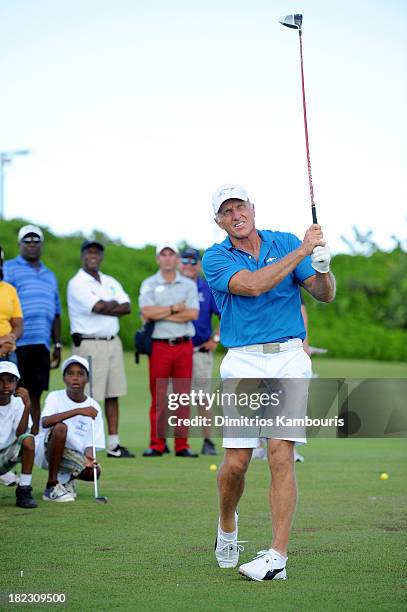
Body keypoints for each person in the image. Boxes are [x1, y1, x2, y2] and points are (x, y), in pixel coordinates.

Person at [202, 184, 335, 581]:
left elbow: (323, 295)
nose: (235, 214)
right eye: (226, 211)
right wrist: (301, 252)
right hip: (243, 359)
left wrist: (323, 266)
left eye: (239, 206)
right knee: (236, 463)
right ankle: (227, 524)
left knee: (281, 454)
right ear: (219, 221)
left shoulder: (286, 241)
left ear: (252, 208)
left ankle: (278, 555)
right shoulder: (216, 257)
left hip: (291, 358)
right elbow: (253, 285)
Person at [67, 240, 134, 458]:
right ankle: (85, 444)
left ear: (101, 256)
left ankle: (113, 444)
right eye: (88, 252)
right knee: (89, 395)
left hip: (112, 342)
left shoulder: (110, 281)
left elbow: (127, 307)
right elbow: (98, 307)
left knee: (113, 393)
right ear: (82, 255)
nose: (93, 255)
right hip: (90, 342)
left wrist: (108, 305)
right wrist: (110, 305)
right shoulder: (77, 282)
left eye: (97, 252)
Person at [139, 242, 199, 457]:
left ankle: (182, 445)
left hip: (183, 345)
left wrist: (160, 312)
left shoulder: (188, 285)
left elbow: (192, 314)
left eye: (170, 254)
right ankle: (156, 444)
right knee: (159, 397)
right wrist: (174, 308)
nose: (166, 258)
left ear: (176, 259)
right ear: (158, 259)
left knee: (182, 397)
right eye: (162, 254)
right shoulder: (149, 283)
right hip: (160, 345)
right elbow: (146, 312)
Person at [4, 225, 62, 435]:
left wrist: (56, 343)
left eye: (35, 241)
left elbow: (56, 312)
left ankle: (34, 439)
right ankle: (13, 438)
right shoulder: (9, 268)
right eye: (27, 241)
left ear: (41, 245)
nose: (31, 245)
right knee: (15, 392)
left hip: (41, 343)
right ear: (20, 244)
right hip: (17, 343)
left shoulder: (49, 275)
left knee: (36, 393)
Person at [35, 355, 105, 502]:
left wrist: (89, 459)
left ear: (87, 379)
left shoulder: (94, 406)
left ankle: (66, 479)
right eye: (70, 374)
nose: (75, 378)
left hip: (71, 454)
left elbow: (91, 443)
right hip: (47, 450)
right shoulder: (55, 397)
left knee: (94, 472)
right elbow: (45, 422)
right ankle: (51, 486)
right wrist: (78, 411)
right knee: (60, 428)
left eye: (80, 374)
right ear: (64, 378)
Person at [179, 246, 220, 455]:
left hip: (199, 351)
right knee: (174, 397)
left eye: (193, 261)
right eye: (184, 261)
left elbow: (224, 313)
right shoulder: (172, 286)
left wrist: (216, 338)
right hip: (176, 347)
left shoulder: (206, 287)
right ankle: (174, 443)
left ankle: (207, 440)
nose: (188, 265)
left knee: (202, 397)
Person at [0, 246, 24, 487]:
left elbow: (17, 324)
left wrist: (11, 340)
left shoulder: (9, 290)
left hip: (6, 355)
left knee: (9, 406)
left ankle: (4, 467)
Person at [0, 361, 37, 508]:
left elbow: (20, 434)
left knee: (28, 440)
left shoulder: (18, 403)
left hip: (6, 456)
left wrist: (27, 405)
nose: (5, 386)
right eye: (0, 381)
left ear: (17, 383)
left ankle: (24, 489)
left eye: (10, 381)